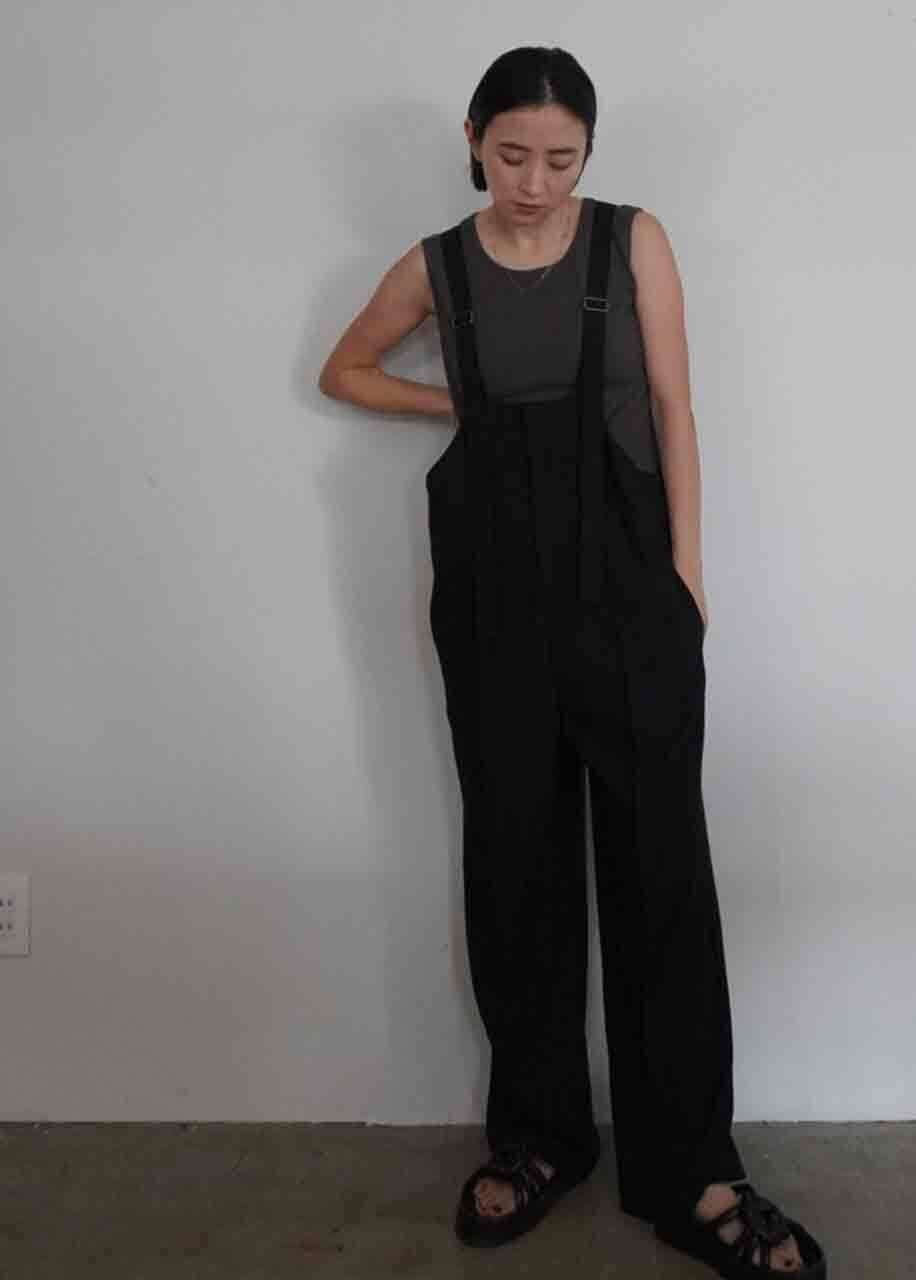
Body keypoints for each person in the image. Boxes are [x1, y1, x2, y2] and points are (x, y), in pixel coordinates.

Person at [318, 46, 826, 1279]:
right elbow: (342, 369)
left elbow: (674, 406)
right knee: (516, 870)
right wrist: (457, 405)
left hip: (631, 596)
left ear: (588, 153)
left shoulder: (630, 242)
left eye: (560, 158)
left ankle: (692, 1170)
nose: (535, 181)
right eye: (511, 156)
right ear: (472, 141)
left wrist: (687, 578)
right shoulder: (435, 267)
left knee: (661, 876)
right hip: (493, 608)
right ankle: (540, 1137)